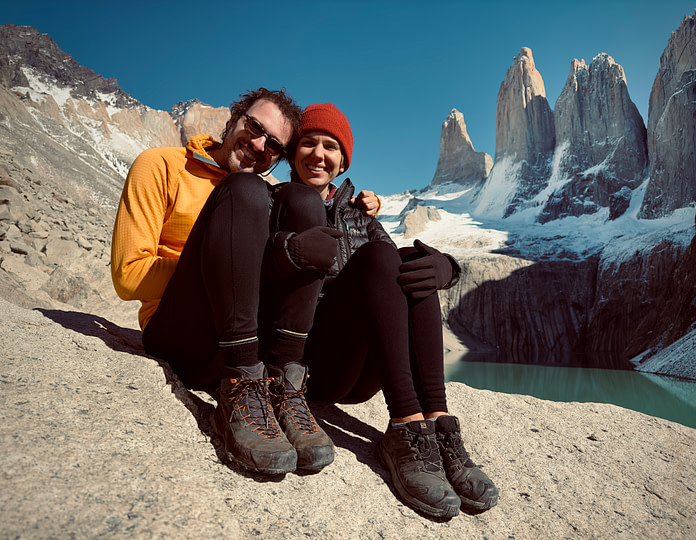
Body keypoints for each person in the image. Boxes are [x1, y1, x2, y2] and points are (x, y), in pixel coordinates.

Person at [110, 89, 379, 476]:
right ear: (234, 118)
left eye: (273, 145)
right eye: (254, 127)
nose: (257, 145)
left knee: (302, 201)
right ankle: (238, 385)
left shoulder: (269, 195)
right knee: (242, 188)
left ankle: (284, 382)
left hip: (252, 342)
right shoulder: (163, 165)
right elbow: (128, 277)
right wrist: (231, 265)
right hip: (183, 335)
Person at [282, 103, 499, 518]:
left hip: (362, 375)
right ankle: (404, 428)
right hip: (316, 363)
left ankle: (436, 425)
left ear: (342, 161)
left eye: (330, 146)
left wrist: (447, 269)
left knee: (407, 260)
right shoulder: (277, 202)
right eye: (307, 143)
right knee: (382, 257)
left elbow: (394, 263)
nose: (318, 154)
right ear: (292, 153)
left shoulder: (359, 215)